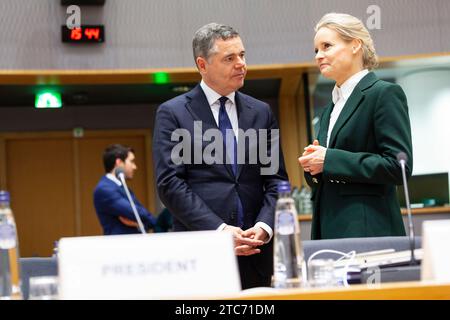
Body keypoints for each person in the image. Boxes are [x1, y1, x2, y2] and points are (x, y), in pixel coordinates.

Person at [152, 23, 288, 289]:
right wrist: (220, 231)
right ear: (202, 65)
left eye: (242, 55)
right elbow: (170, 184)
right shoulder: (174, 113)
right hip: (200, 252)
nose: (241, 64)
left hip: (256, 253)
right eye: (229, 58)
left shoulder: (261, 112)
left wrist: (264, 226)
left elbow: (276, 181)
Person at [298, 13, 413, 240]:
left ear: (355, 45)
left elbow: (398, 166)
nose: (319, 56)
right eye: (316, 50)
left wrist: (329, 160)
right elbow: (330, 171)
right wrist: (313, 166)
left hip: (369, 231)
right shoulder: (329, 109)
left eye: (327, 46)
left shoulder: (383, 94)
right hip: (328, 230)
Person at [93, 144, 156, 235]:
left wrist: (140, 224)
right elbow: (137, 213)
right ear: (119, 162)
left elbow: (141, 214)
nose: (135, 167)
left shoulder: (121, 186)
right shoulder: (105, 189)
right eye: (131, 161)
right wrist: (152, 223)